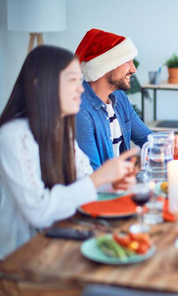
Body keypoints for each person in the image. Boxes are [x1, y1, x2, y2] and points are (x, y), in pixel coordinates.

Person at [0, 45, 137, 259]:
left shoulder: (60, 129)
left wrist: (111, 182)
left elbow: (82, 180)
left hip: (61, 242)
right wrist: (98, 179)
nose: (81, 89)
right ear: (41, 85)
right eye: (72, 80)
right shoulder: (14, 136)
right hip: (21, 258)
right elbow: (39, 211)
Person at [75, 28, 178, 170]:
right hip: (106, 189)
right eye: (127, 61)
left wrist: (171, 141)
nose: (133, 69)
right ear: (106, 66)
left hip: (124, 182)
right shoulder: (80, 110)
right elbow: (93, 173)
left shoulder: (119, 98)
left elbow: (145, 138)